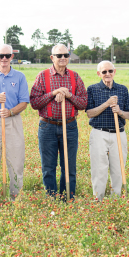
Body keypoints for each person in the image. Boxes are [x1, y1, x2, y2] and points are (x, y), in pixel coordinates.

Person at [30, 44, 87, 201]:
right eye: (59, 55)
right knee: (48, 167)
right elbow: (34, 102)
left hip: (69, 126)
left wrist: (69, 95)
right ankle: (52, 199)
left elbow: (83, 104)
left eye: (66, 55)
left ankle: (68, 197)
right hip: (47, 126)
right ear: (52, 57)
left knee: (69, 166)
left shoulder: (75, 77)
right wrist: (53, 93)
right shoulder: (43, 76)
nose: (63, 58)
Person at [0, 44, 29, 200]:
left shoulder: (20, 77)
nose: (4, 59)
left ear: (12, 57)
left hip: (13, 121)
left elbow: (24, 102)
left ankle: (16, 198)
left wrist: (11, 111)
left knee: (16, 162)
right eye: (0, 56)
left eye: (7, 55)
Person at [85, 60, 129, 201]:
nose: (107, 74)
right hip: (99, 132)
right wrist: (106, 104)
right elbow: (89, 113)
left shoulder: (122, 89)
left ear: (114, 72)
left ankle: (116, 198)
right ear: (99, 73)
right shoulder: (92, 89)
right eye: (104, 72)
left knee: (118, 168)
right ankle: (98, 198)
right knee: (99, 168)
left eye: (110, 71)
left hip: (119, 132)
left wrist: (119, 111)